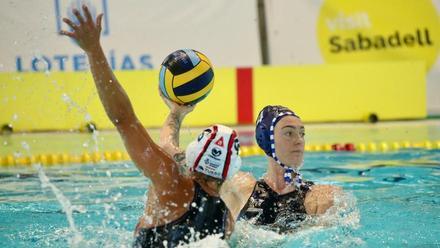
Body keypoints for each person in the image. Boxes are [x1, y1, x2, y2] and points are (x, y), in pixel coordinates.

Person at [60, 5, 246, 247]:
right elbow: (169, 146)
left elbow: (124, 120)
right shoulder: (227, 222)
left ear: (191, 156)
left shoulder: (171, 182)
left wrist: (94, 50)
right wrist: (176, 115)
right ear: (230, 170)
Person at [240, 105, 341, 233]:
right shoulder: (243, 189)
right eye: (289, 133)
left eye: (302, 134)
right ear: (266, 140)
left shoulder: (318, 197)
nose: (299, 140)